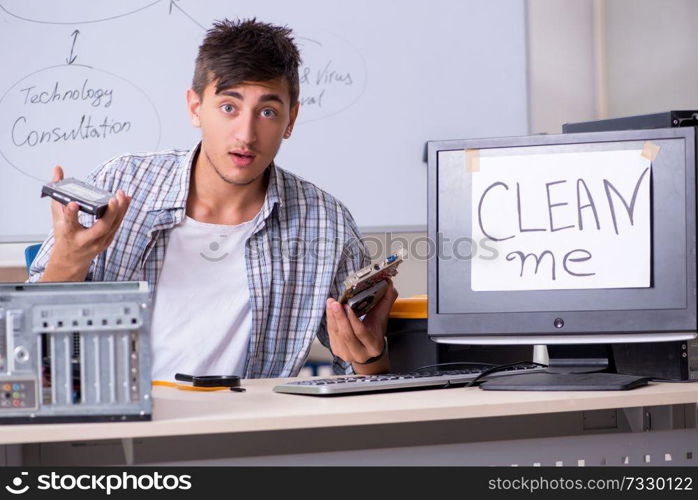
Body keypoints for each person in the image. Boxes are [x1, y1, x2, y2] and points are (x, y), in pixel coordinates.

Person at [28, 18, 397, 380]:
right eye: (228, 107)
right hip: (120, 426)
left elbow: (362, 371)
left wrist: (370, 355)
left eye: (267, 112)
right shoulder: (121, 182)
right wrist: (67, 262)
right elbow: (27, 344)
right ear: (195, 107)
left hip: (246, 432)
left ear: (291, 119)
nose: (246, 134)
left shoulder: (325, 221)